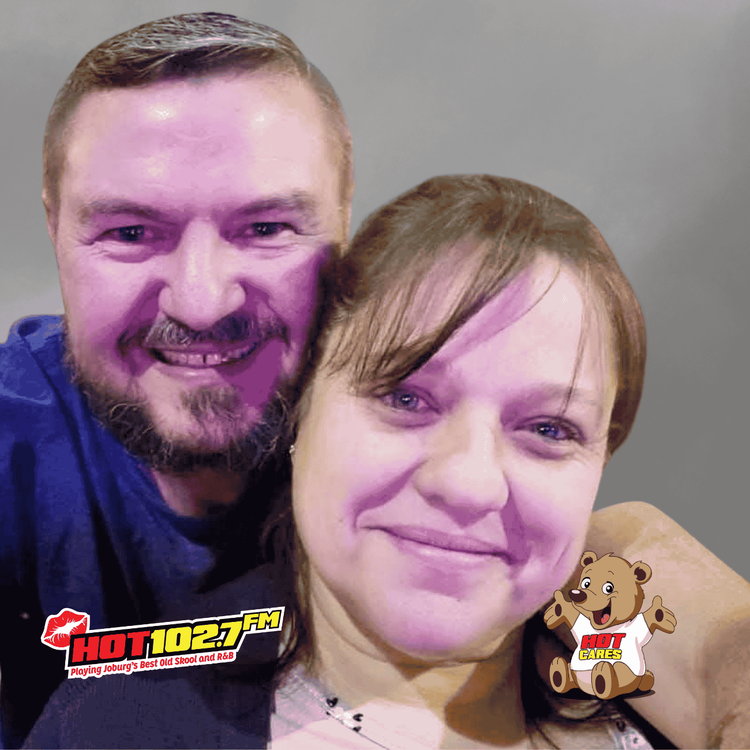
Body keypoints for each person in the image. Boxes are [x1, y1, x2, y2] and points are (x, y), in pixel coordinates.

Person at [27, 174, 667, 749]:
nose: (468, 482)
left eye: (550, 429)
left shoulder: (675, 707)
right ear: (299, 407)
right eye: (406, 398)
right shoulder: (111, 729)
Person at [0, 11, 351, 748]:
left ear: (344, 224)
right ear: (54, 228)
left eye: (266, 229)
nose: (200, 302)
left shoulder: (419, 426)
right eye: (130, 233)